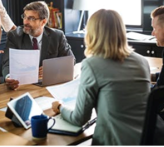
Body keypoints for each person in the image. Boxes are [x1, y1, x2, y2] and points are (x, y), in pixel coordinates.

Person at [51, 9, 151, 145]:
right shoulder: (142, 61)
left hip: (114, 141)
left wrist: (60, 107)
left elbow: (79, 119)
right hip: (147, 139)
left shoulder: (92, 65)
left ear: (91, 34)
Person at [2, 1, 74, 90]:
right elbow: (7, 64)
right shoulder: (14, 36)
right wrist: (9, 77)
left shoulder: (57, 36)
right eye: (24, 17)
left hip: (50, 86)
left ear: (43, 22)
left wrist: (51, 69)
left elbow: (70, 61)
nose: (25, 22)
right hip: (23, 86)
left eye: (31, 18)